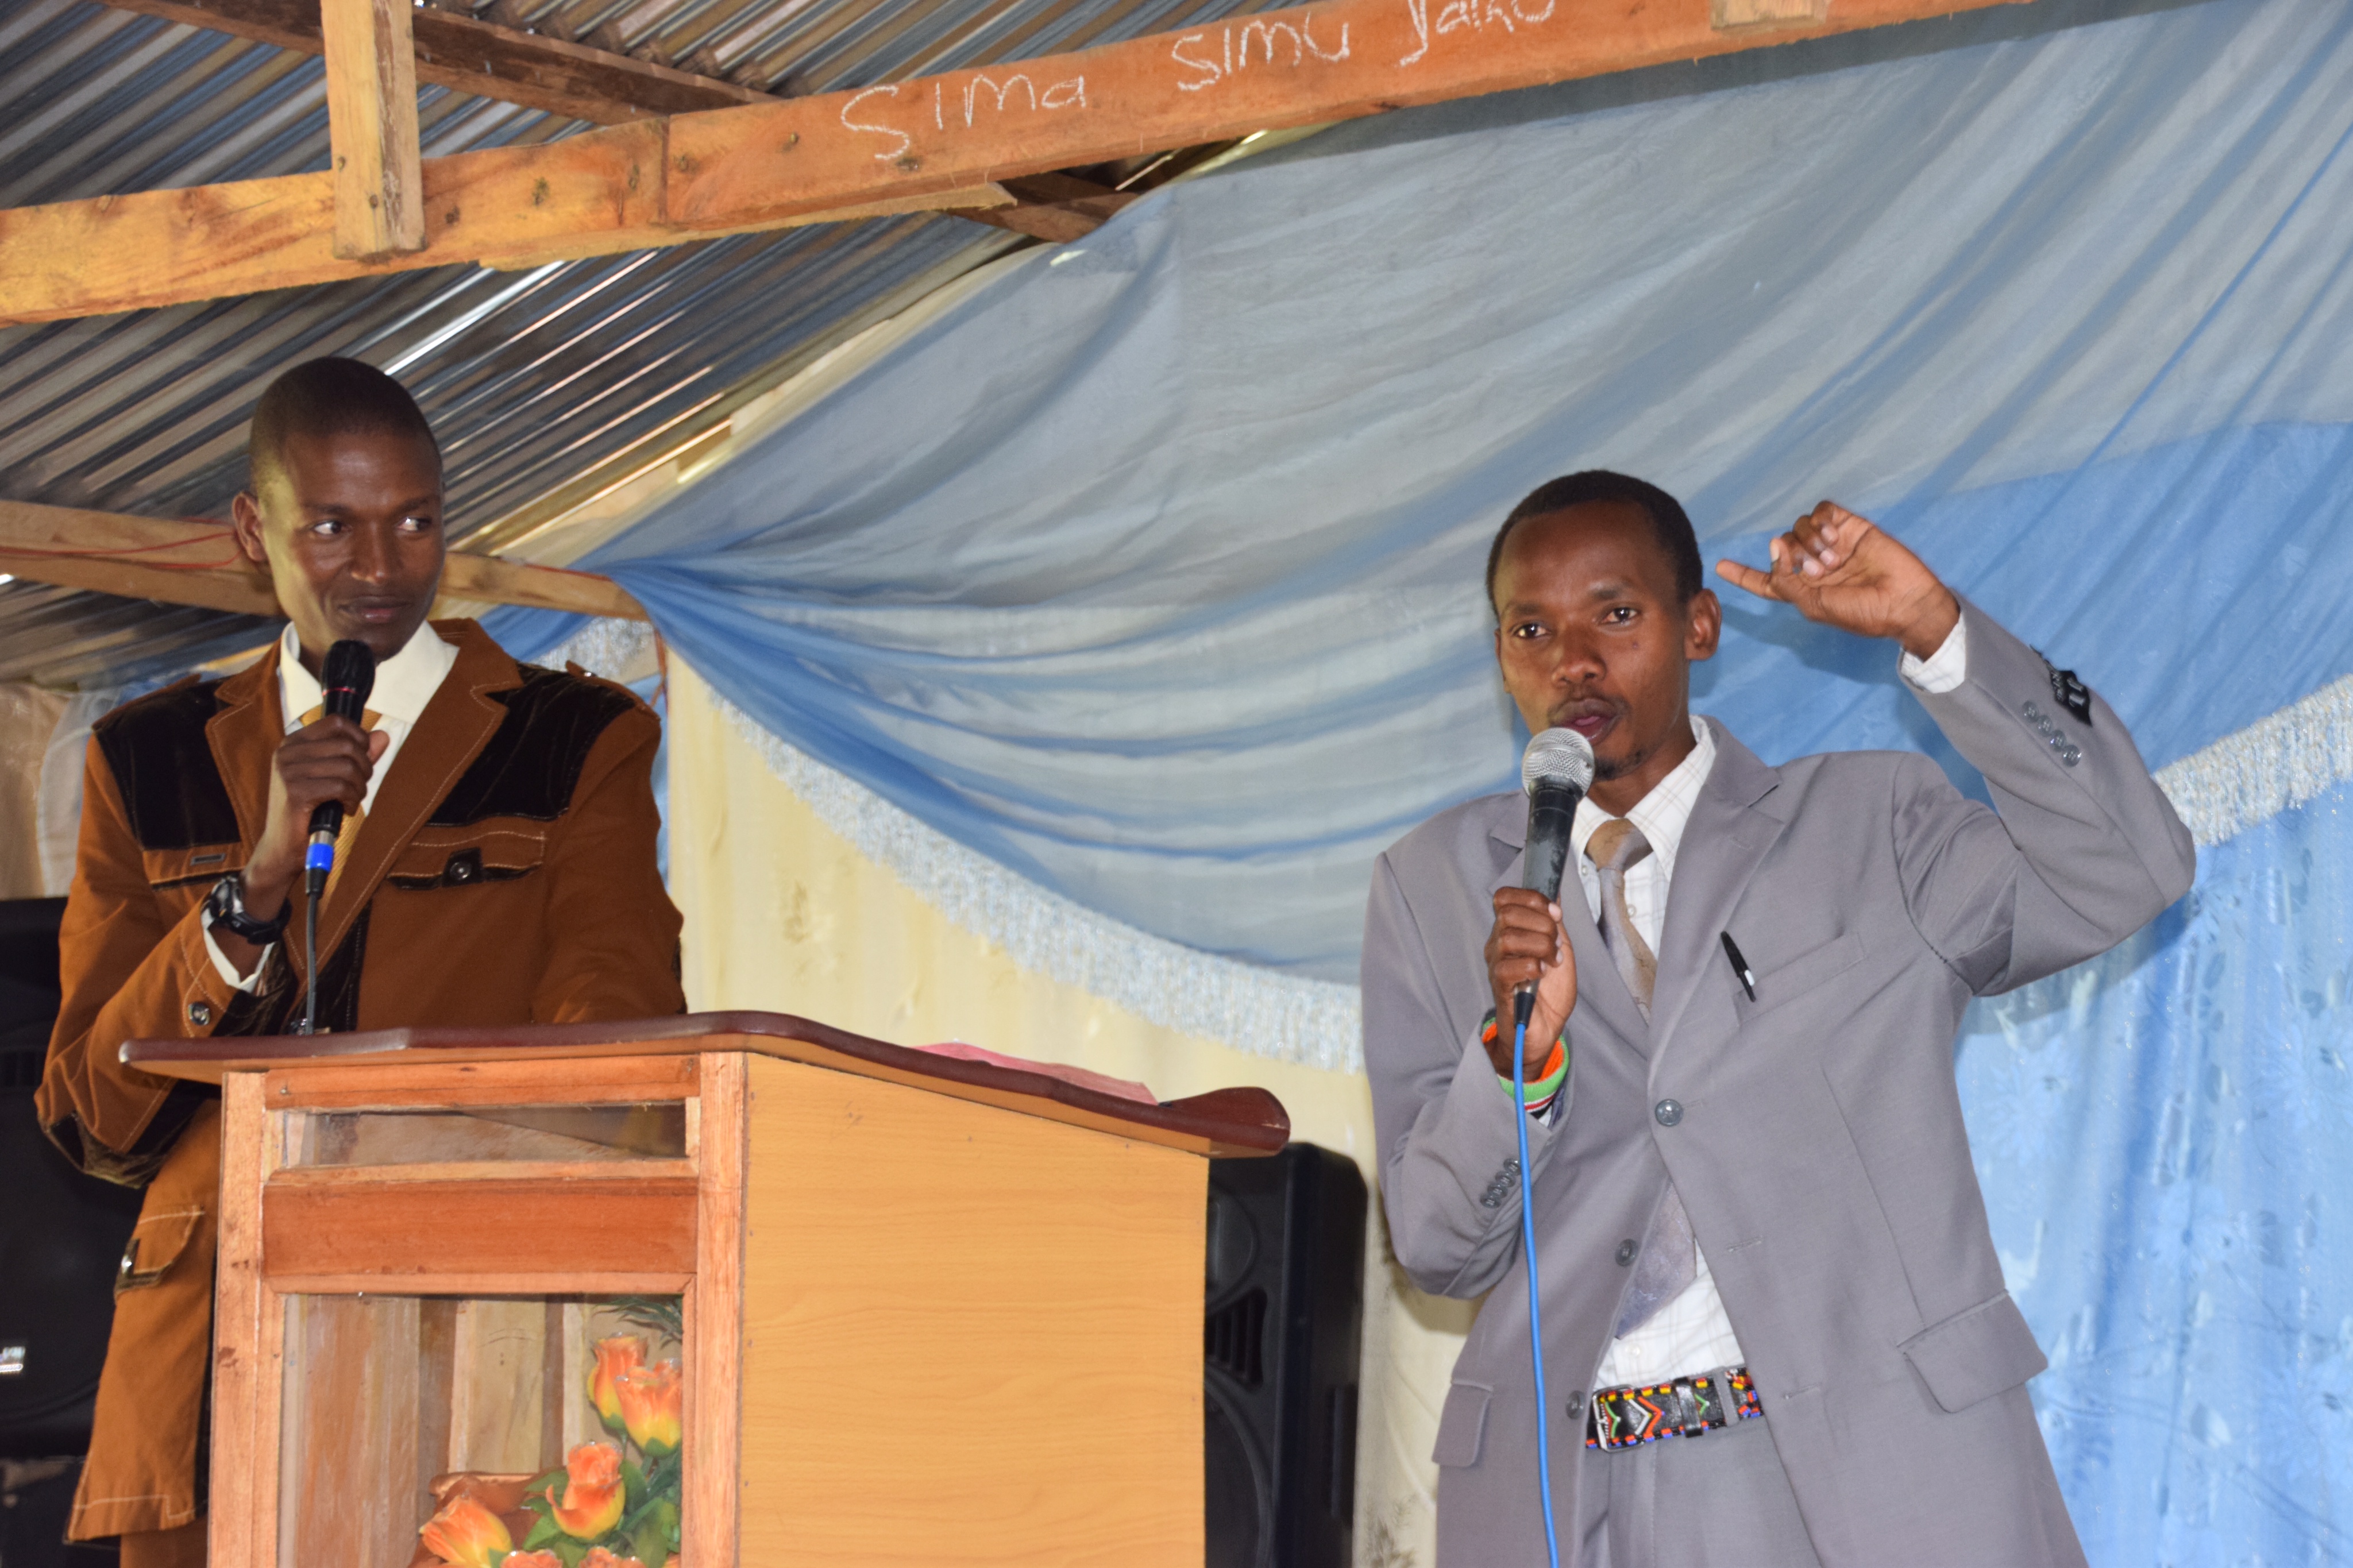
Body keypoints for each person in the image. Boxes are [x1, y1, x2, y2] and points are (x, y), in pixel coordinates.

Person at [1363, 470, 2193, 1567]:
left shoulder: (1866, 823)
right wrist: (1521, 1064)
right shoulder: (1432, 885)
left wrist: (1936, 629)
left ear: (1700, 625)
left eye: (1616, 613)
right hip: (1574, 1496)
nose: (1573, 661)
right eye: (1532, 629)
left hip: (1872, 1475)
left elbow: (2129, 869)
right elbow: (1437, 1246)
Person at [34, 358, 686, 1568]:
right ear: (253, 532)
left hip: (472, 1339)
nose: (381, 567)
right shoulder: (148, 756)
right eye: (332, 526)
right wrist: (253, 890)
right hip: (207, 1373)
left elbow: (617, 1036)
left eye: (414, 521)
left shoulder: (572, 738)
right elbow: (91, 1115)